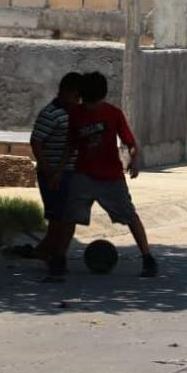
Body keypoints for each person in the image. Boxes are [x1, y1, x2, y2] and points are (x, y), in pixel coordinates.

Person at [47, 71, 158, 279]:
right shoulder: (76, 115)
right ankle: (59, 260)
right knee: (70, 217)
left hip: (111, 177)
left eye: (93, 102)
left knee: (129, 215)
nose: (89, 107)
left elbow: (130, 142)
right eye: (86, 102)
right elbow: (70, 146)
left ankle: (148, 258)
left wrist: (133, 159)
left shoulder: (113, 114)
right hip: (83, 175)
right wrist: (58, 171)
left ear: (102, 97)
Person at [21, 72, 83, 261]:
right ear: (64, 92)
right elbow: (36, 142)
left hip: (70, 172)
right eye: (75, 96)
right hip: (53, 173)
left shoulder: (75, 114)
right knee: (57, 217)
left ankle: (54, 252)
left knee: (68, 217)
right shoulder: (50, 114)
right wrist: (49, 170)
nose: (77, 101)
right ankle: (51, 253)